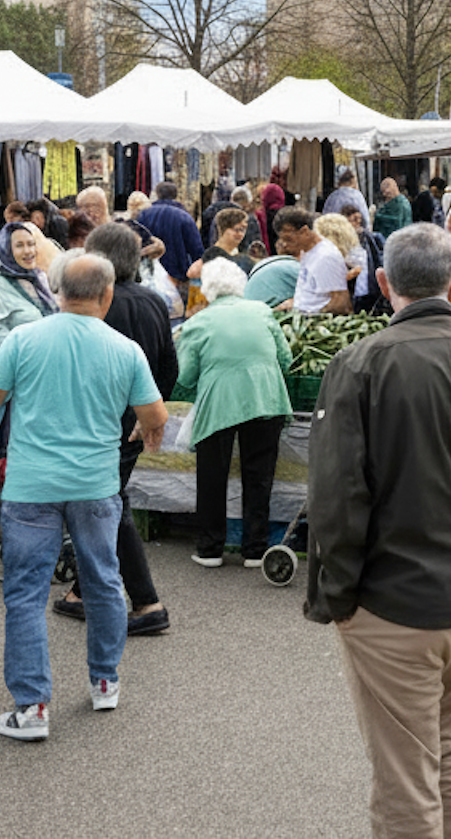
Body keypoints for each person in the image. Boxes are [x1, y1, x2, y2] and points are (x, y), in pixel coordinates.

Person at [305, 223, 451, 838]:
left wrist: (338, 598)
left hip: (401, 605)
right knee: (445, 743)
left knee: (406, 777)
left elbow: (336, 499)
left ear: (384, 284)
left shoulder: (360, 364)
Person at [0, 253, 167, 742]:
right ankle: (104, 680)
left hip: (31, 487)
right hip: (95, 484)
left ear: (57, 291)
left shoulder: (24, 340)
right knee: (104, 579)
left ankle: (33, 706)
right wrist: (147, 435)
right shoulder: (124, 349)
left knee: (25, 592)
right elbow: (154, 413)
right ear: (106, 295)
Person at [63, 223, 175, 638]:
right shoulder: (153, 302)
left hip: (99, 423)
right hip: (134, 422)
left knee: (111, 504)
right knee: (105, 501)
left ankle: (148, 602)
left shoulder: (96, 307)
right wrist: (150, 415)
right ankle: (81, 591)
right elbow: (169, 367)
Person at [177, 257, 292, 567]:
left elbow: (185, 375)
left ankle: (210, 548)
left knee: (212, 476)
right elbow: (286, 357)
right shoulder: (262, 311)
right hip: (266, 397)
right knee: (260, 476)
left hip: (220, 402)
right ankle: (255, 550)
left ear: (208, 290)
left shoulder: (199, 321)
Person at [0, 223, 57, 366]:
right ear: (6, 249)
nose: (28, 251)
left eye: (31, 244)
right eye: (19, 246)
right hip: (19, 371)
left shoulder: (39, 278)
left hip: (48, 366)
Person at [275, 207, 351, 315]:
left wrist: (312, 316)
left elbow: (340, 302)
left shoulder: (326, 256)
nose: (285, 244)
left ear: (304, 231)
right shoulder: (306, 251)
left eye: (289, 239)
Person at [136, 181, 205, 295]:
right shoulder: (184, 217)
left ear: (157, 194)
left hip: (149, 275)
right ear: (175, 195)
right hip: (177, 277)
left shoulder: (143, 215)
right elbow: (196, 250)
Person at [201, 207, 259, 277]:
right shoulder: (212, 257)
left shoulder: (236, 253)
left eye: (243, 230)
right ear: (224, 229)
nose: (241, 234)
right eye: (237, 230)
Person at [323, 166, 372, 231]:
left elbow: (324, 219)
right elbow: (366, 220)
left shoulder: (332, 197)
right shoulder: (357, 195)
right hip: (354, 234)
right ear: (352, 180)